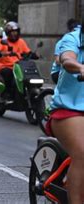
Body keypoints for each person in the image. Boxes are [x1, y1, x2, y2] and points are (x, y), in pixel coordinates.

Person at [46, 23, 84, 204]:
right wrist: (80, 67)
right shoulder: (73, 38)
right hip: (69, 110)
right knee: (82, 153)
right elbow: (67, 59)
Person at [0, 21, 35, 100]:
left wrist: (33, 55)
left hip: (20, 65)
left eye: (16, 32)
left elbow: (27, 51)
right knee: (9, 74)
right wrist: (3, 53)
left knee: (29, 73)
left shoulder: (21, 41)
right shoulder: (4, 42)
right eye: (12, 32)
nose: (14, 34)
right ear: (8, 33)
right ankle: (8, 94)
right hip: (7, 66)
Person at [50, 18, 80, 84]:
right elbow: (58, 60)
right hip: (58, 72)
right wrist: (71, 58)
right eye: (75, 30)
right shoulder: (64, 41)